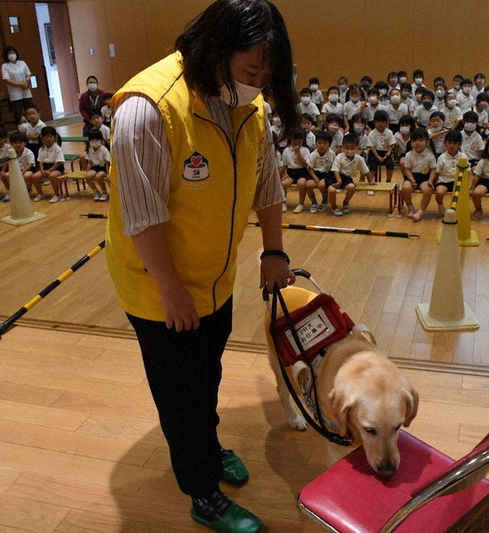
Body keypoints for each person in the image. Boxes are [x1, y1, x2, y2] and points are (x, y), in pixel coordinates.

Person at [105, 1, 297, 531]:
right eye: (249, 71)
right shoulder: (147, 109)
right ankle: (201, 490)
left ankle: (206, 449)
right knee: (180, 392)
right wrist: (171, 290)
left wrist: (274, 251)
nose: (257, 85)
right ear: (216, 50)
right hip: (158, 286)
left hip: (215, 279)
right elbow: (141, 217)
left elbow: (268, 183)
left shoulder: (248, 108)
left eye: (266, 75)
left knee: (205, 374)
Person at [400, 127, 436, 221]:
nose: (417, 143)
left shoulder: (430, 155)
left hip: (425, 178)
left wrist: (430, 181)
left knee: (428, 189)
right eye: (414, 140)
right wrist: (411, 180)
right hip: (412, 176)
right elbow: (407, 169)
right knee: (405, 187)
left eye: (420, 140)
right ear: (411, 142)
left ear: (427, 142)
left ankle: (421, 211)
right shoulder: (408, 155)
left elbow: (433, 170)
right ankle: (410, 207)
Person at [328, 133, 367, 216]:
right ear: (342, 147)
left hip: (346, 178)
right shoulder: (339, 157)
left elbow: (365, 170)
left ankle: (346, 202)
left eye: (352, 148)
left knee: (352, 187)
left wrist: (370, 180)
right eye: (347, 148)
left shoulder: (359, 158)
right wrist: (338, 181)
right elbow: (335, 170)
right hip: (334, 176)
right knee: (332, 190)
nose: (349, 150)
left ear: (357, 148)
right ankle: (334, 206)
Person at [434, 129, 466, 216]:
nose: (452, 146)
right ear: (445, 143)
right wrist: (433, 183)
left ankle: (457, 209)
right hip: (443, 181)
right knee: (439, 192)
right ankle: (440, 206)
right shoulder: (442, 157)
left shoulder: (463, 157)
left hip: (458, 182)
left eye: (455, 143)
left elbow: (467, 173)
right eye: (449, 143)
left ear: (459, 145)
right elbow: (437, 173)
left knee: (461, 195)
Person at [0, 45, 33, 126]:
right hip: (15, 93)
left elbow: (28, 74)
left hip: (26, 90)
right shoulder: (5, 66)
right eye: (9, 53)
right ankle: (21, 130)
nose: (12, 55)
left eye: (13, 52)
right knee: (18, 113)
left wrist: (25, 82)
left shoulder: (22, 63)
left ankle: (33, 127)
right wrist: (20, 84)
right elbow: (7, 80)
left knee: (30, 109)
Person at [282, 129, 312, 213]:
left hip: (302, 172)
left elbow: (304, 164)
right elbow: (284, 165)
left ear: (302, 140)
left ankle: (301, 204)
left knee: (301, 183)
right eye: (293, 140)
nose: (295, 142)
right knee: (284, 183)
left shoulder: (305, 150)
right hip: (290, 172)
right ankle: (283, 202)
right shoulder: (286, 150)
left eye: (298, 140)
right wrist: (285, 174)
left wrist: (298, 153)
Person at [35, 126, 65, 203]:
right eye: (46, 137)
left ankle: (56, 195)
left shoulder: (57, 148)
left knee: (52, 176)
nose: (48, 139)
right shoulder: (41, 148)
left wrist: (49, 170)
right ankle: (40, 193)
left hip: (56, 168)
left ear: (54, 137)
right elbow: (40, 161)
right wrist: (42, 170)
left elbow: (58, 162)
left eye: (51, 136)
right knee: (35, 176)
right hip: (45, 167)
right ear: (42, 138)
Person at [308, 130, 334, 211]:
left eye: (325, 143)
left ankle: (325, 199)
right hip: (315, 174)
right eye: (319, 143)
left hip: (327, 174)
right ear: (316, 143)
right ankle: (314, 202)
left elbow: (334, 167)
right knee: (308, 185)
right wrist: (315, 178)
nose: (322, 145)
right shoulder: (312, 155)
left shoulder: (332, 154)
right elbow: (310, 168)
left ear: (329, 145)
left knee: (322, 185)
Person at [367, 110, 396, 183]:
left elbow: (391, 145)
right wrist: (377, 156)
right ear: (374, 122)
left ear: (386, 123)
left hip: (386, 153)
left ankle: (388, 180)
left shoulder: (389, 132)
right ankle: (370, 181)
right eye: (378, 122)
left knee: (390, 164)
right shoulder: (372, 133)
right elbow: (371, 146)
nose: (380, 124)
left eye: (382, 122)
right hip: (374, 153)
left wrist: (388, 154)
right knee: (373, 165)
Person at [83, 128, 110, 201]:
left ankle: (104, 192)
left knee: (98, 177)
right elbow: (89, 162)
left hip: (103, 167)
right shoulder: (89, 149)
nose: (95, 142)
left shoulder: (104, 149)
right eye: (93, 140)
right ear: (89, 140)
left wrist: (107, 173)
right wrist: (87, 172)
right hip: (95, 166)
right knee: (87, 176)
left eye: (97, 140)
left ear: (101, 140)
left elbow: (107, 163)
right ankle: (96, 192)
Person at [9, 132, 37, 197]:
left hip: (28, 170)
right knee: (7, 175)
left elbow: (30, 165)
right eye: (15, 143)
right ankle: (14, 190)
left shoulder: (28, 153)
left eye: (20, 142)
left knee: (27, 175)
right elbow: (9, 163)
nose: (18, 145)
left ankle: (28, 189)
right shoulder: (11, 152)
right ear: (12, 144)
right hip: (16, 170)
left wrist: (22, 172)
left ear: (25, 143)